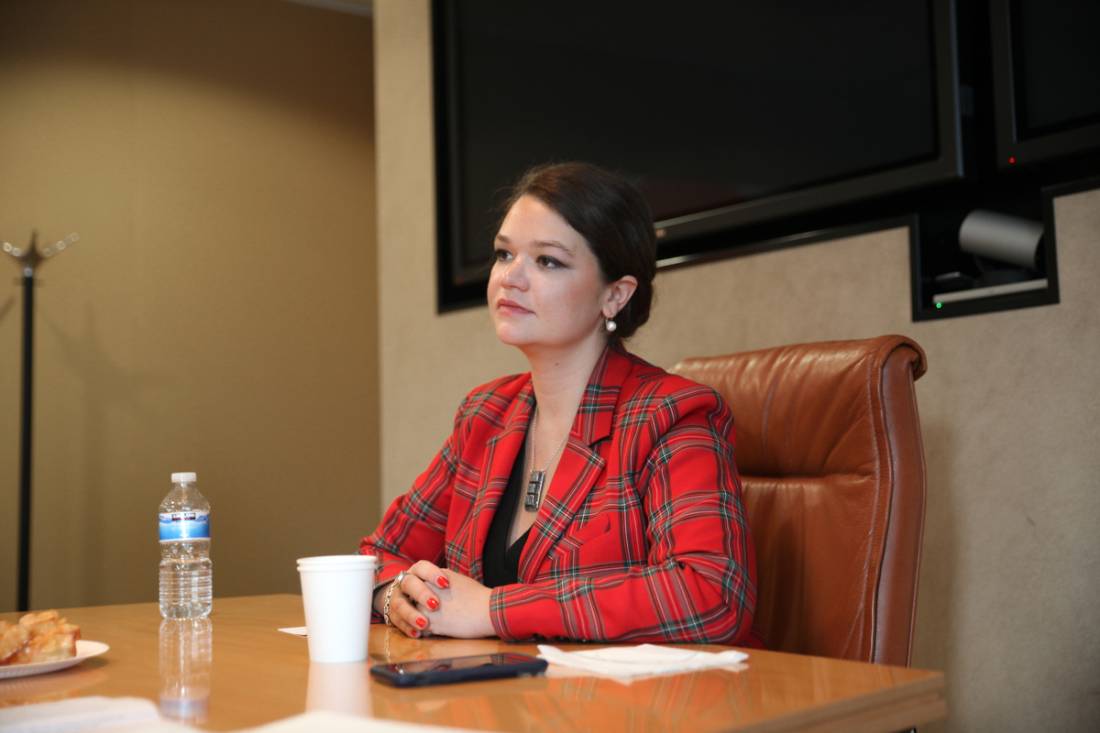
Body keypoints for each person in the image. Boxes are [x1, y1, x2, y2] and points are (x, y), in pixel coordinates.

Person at [360, 162, 757, 645]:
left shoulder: (672, 414)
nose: (511, 278)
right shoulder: (486, 414)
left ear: (615, 295)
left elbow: (711, 594)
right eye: (504, 254)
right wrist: (395, 594)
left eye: (547, 261)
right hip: (490, 704)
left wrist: (492, 610)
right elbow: (380, 553)